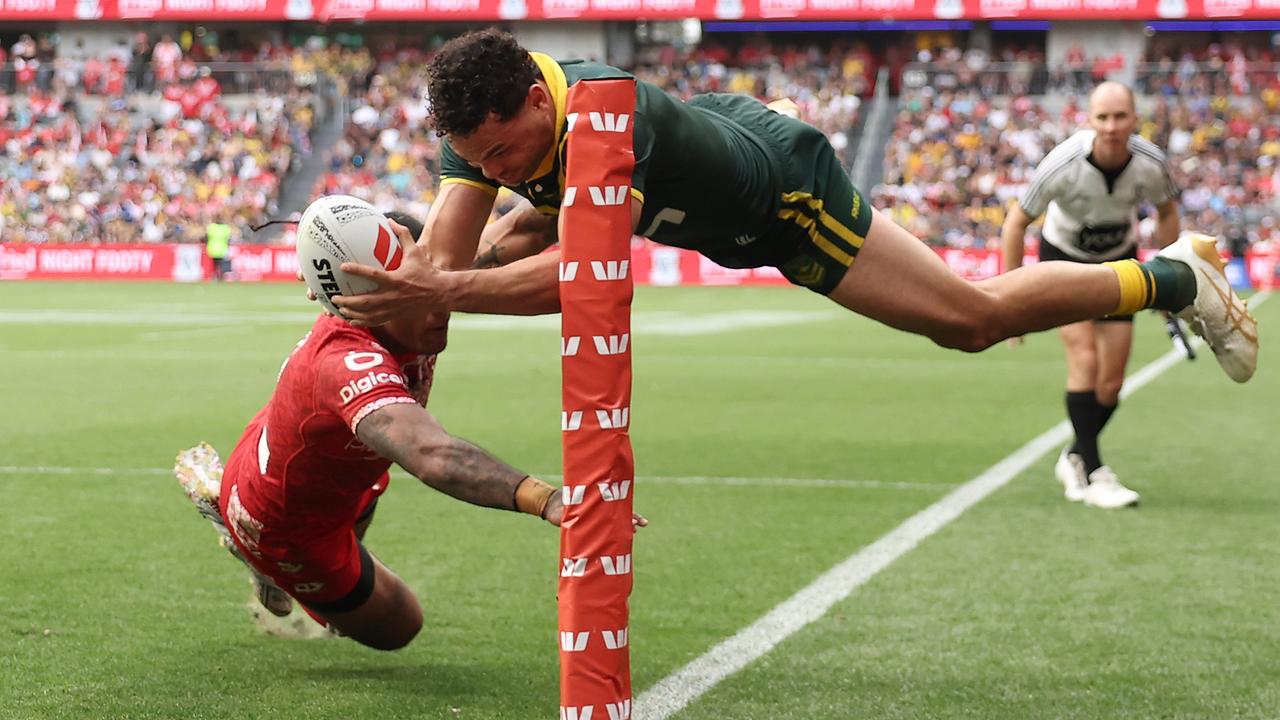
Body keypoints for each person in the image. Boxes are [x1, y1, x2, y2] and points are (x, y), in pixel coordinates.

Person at [330, 30, 1256, 399]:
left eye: (503, 155)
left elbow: (588, 283)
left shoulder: (615, 120)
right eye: (477, 161)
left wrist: (444, 283)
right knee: (495, 246)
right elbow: (434, 302)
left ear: (539, 99)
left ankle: (1178, 275)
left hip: (783, 194)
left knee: (970, 320)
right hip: (708, 164)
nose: (491, 168)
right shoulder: (481, 121)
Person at [178, 212, 644, 650]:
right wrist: (549, 500)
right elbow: (433, 455)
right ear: (370, 298)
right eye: (417, 294)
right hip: (281, 521)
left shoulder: (418, 289)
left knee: (366, 473)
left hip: (314, 453)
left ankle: (300, 545)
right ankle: (254, 549)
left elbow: (527, 226)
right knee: (400, 627)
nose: (439, 302)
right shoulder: (347, 361)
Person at [1000, 81, 1181, 509]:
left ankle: (1075, 455)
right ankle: (1096, 472)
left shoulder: (1151, 163)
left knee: (1112, 383)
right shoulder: (1062, 163)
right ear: (1089, 119)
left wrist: (1170, 275)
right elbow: (1015, 222)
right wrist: (1007, 303)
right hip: (1064, 259)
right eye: (1103, 117)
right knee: (1085, 359)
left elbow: (1168, 211)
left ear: (1136, 119)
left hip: (1119, 263)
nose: (1112, 126)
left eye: (1121, 116)